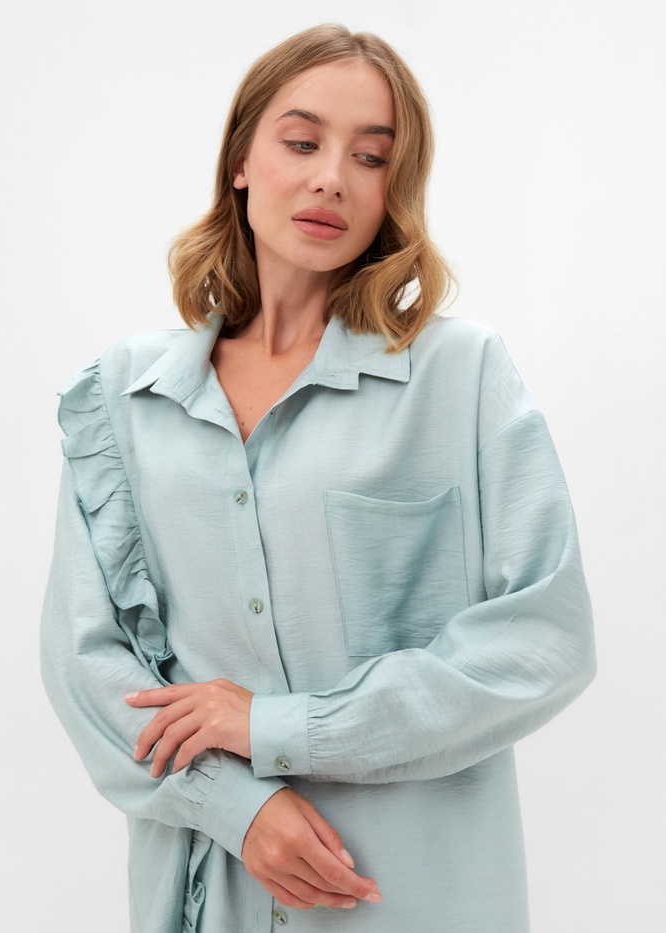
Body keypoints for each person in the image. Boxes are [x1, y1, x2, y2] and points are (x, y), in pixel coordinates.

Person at [41, 23, 596, 933]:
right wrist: (238, 806)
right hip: (208, 892)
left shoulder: (461, 377)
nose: (333, 177)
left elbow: (547, 637)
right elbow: (87, 663)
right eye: (302, 142)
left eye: (370, 157)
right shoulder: (124, 398)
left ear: (391, 191)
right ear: (241, 161)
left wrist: (281, 727)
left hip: (412, 898)